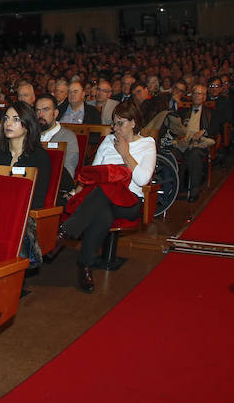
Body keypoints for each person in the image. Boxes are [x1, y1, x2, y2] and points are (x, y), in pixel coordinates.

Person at [49, 101, 156, 293]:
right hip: (101, 198)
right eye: (114, 123)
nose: (116, 129)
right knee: (103, 212)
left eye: (120, 123)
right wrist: (77, 191)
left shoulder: (147, 144)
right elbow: (94, 174)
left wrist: (125, 155)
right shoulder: (108, 141)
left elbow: (142, 180)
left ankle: (64, 232)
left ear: (133, 123)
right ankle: (85, 266)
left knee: (104, 191)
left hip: (129, 200)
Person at [0, 101, 52, 210]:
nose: (8, 123)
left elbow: (37, 200)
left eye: (16, 119)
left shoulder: (40, 157)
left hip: (24, 214)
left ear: (27, 125)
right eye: (6, 118)